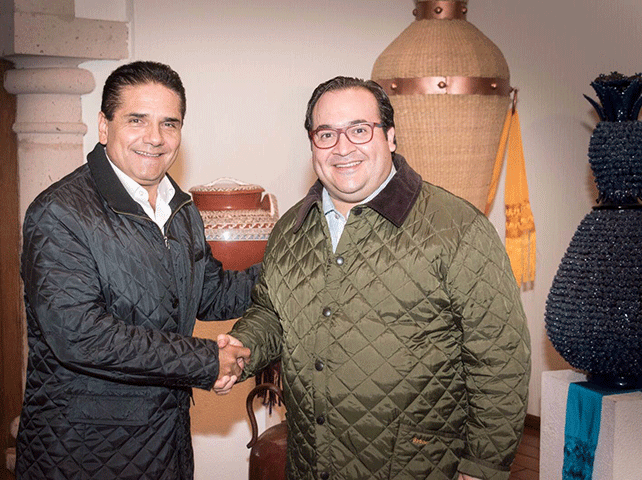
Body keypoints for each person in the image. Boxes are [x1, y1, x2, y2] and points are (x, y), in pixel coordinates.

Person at [217, 76, 531, 480]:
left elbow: (500, 356)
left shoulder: (456, 228)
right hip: (310, 462)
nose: (342, 147)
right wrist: (242, 348)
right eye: (326, 134)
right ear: (313, 145)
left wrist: (482, 467)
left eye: (359, 130)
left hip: (417, 467)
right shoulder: (290, 230)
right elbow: (272, 312)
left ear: (390, 137)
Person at [15, 61, 255, 480]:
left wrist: (294, 269)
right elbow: (83, 337)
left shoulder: (180, 209)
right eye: (137, 120)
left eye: (169, 123)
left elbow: (211, 292)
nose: (155, 138)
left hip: (167, 443)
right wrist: (206, 360)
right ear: (104, 127)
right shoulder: (60, 213)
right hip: (85, 453)